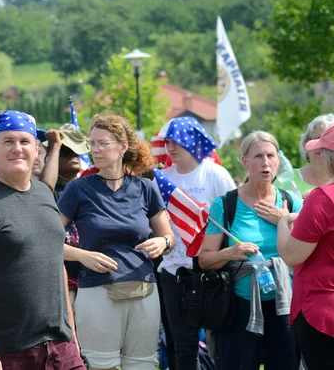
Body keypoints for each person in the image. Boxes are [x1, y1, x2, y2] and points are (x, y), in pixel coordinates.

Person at [0, 110, 85, 370]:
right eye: (8, 141)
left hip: (59, 348)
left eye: (24, 142)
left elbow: (56, 265)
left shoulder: (44, 193)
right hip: (3, 351)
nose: (17, 149)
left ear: (36, 150)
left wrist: (72, 335)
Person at [58, 113, 175, 370]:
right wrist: (81, 255)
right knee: (101, 366)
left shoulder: (146, 188)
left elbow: (169, 237)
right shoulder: (78, 189)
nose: (95, 149)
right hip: (97, 292)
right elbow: (47, 240)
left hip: (144, 290)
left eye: (102, 143)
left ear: (122, 147)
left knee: (142, 365)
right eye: (93, 143)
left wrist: (162, 244)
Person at [199, 131, 303, 370]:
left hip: (285, 305)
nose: (265, 163)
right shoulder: (226, 204)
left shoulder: (291, 202)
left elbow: (305, 253)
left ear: (278, 160)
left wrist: (284, 221)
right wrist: (230, 253)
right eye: (258, 156)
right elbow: (204, 260)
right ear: (244, 162)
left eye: (271, 155)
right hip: (239, 306)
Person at [155, 117, 236, 370]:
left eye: (177, 141)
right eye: (167, 142)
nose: (171, 147)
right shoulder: (162, 179)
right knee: (183, 344)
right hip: (172, 271)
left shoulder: (215, 174)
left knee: (220, 338)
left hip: (211, 271)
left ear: (193, 141)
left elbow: (232, 216)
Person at [277, 124, 334, 370]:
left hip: (322, 312)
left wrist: (283, 222)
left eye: (320, 152)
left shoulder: (322, 198)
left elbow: (291, 255)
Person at [39, 124, 90, 306]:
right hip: (61, 279)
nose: (73, 155)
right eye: (66, 151)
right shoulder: (44, 191)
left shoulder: (88, 188)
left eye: (76, 151)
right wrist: (56, 146)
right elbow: (46, 187)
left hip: (91, 277)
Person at [291, 114, 334, 197]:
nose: (322, 146)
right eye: (317, 139)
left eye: (328, 141)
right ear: (305, 143)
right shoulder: (287, 179)